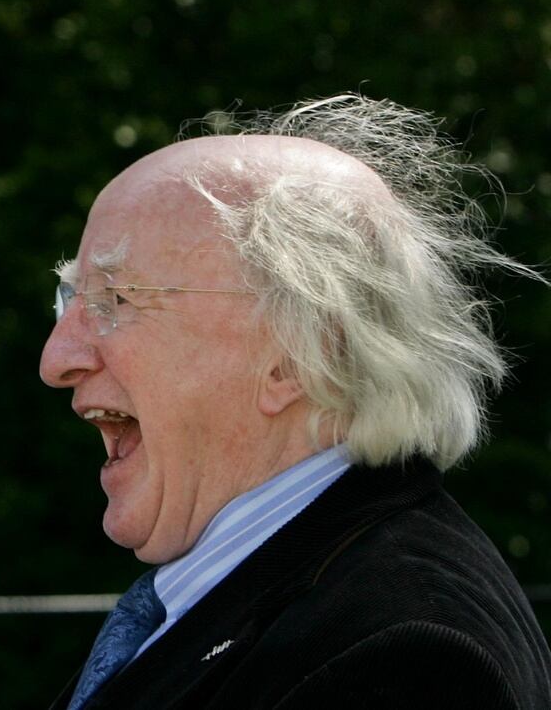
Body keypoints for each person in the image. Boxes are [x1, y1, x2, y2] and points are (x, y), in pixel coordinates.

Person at [40, 94, 551, 709]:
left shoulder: (405, 653)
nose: (57, 360)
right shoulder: (306, 590)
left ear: (298, 352)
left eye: (115, 300)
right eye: (71, 300)